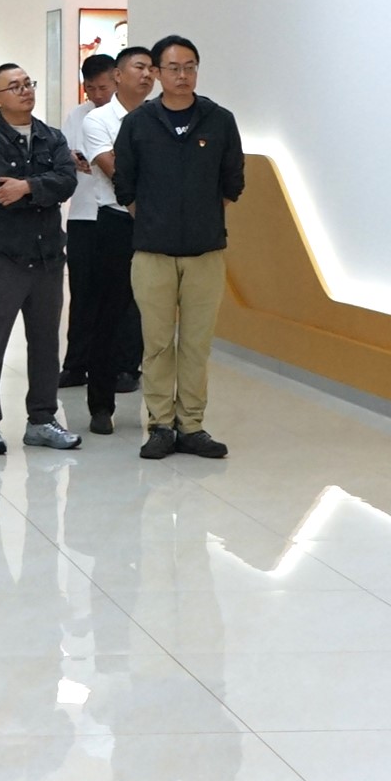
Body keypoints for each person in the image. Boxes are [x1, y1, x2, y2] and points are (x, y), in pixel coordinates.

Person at [114, 35, 243, 461]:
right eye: (173, 68)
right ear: (157, 73)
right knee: (156, 343)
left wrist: (201, 216)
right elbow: (125, 183)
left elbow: (233, 181)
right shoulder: (139, 122)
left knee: (196, 343)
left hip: (205, 252)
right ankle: (161, 425)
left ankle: (192, 425)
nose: (182, 75)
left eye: (190, 67)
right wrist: (155, 218)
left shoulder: (218, 120)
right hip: (152, 252)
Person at [0, 64, 82, 457]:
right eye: (14, 87)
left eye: (28, 83)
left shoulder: (52, 136)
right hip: (5, 256)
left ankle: (42, 420)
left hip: (48, 256)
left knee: (46, 342)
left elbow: (68, 181)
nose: (25, 90)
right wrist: (40, 190)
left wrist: (28, 186)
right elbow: (1, 194)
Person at [73, 46, 153, 431]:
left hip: (159, 225)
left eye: (152, 68)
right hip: (116, 223)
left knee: (154, 314)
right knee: (108, 313)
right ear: (119, 75)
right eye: (139, 67)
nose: (148, 75)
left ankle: (159, 405)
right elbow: (117, 172)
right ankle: (101, 406)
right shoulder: (98, 120)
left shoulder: (162, 115)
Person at [60, 54, 115, 404]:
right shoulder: (77, 115)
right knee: (81, 293)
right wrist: (73, 160)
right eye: (90, 88)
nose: (96, 95)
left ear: (116, 80)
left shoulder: (131, 116)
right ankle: (75, 365)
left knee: (119, 296)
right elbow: (64, 153)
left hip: (118, 214)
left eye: (102, 87)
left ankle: (123, 367)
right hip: (82, 214)